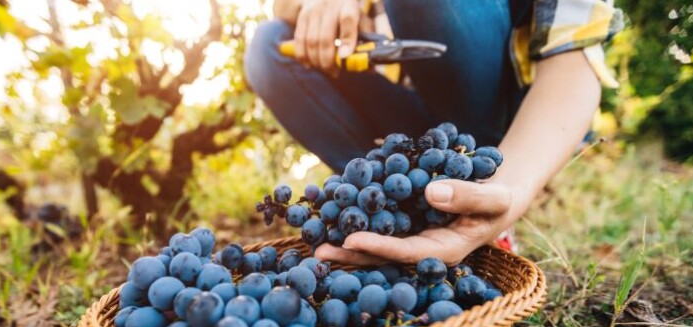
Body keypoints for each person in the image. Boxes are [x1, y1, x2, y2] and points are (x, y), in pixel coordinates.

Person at [244, 0, 623, 265]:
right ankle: (398, 208)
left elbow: (575, 60)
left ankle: (477, 195)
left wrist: (512, 189)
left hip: (512, 122)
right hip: (411, 134)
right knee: (269, 45)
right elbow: (284, 7)